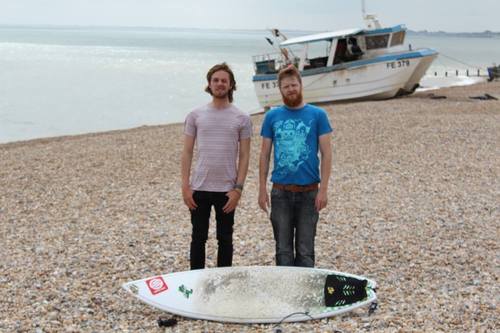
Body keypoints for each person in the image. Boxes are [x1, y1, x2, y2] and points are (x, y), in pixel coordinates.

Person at [258, 65, 333, 267]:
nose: (290, 89)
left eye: (293, 85)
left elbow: (327, 154)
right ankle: (286, 296)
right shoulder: (271, 117)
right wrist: (261, 190)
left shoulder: (318, 115)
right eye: (285, 86)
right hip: (280, 193)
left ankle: (305, 297)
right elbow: (264, 155)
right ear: (280, 90)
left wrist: (323, 190)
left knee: (306, 250)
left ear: (300, 85)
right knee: (283, 250)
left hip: (309, 193)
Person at [181, 63, 252, 270]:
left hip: (227, 190)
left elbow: (245, 155)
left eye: (224, 81)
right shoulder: (195, 115)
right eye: (216, 80)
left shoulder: (242, 118)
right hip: (199, 188)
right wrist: (185, 187)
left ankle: (224, 281)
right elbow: (186, 152)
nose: (220, 84)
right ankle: (195, 280)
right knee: (198, 238)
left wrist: (238, 189)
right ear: (209, 84)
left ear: (231, 85)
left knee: (225, 239)